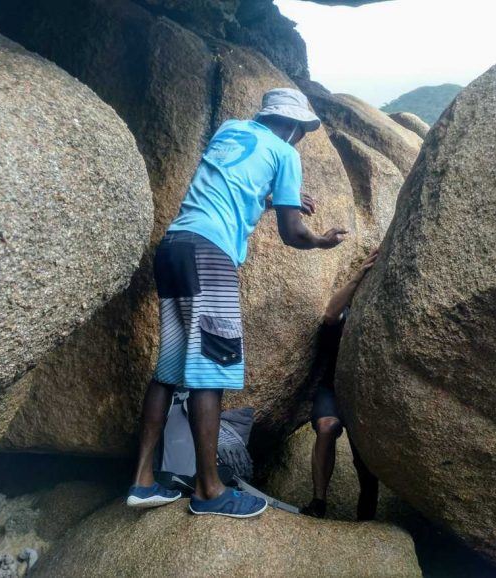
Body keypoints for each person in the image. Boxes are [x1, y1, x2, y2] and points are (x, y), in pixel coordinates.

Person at [126, 88, 348, 518]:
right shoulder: (286, 154)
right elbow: (293, 233)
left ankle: (142, 480)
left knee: (169, 371)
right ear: (295, 127)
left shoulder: (230, 130)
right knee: (211, 371)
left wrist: (271, 201)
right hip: (211, 256)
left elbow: (232, 188)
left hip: (175, 247)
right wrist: (320, 241)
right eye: (302, 131)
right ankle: (210, 491)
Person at [301, 249, 380, 520]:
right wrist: (358, 277)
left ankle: (366, 516)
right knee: (327, 426)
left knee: (366, 460)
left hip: (365, 397)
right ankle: (318, 501)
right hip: (333, 388)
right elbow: (330, 315)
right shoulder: (346, 313)